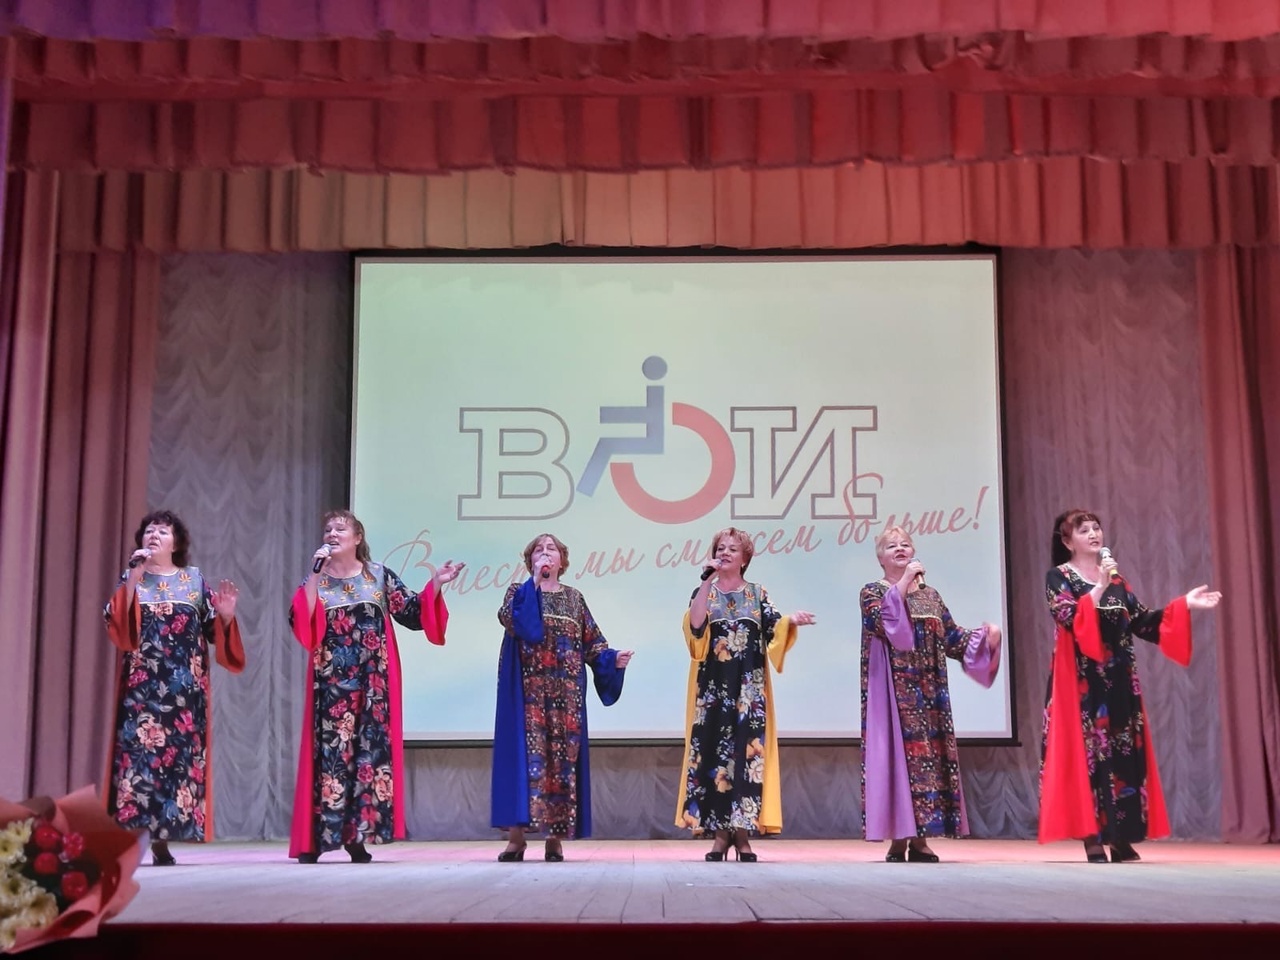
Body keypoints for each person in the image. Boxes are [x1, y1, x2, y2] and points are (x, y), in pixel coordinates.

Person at [1039, 508, 1221, 863]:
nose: (1094, 534)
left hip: (1119, 681)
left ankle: (1120, 836)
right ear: (1067, 541)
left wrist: (1184, 604)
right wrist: (1099, 585)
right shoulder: (1058, 577)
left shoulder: (1118, 582)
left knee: (1123, 756)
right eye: (1084, 530)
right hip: (1082, 684)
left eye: (1096, 528)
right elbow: (1068, 617)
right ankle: (1092, 837)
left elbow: (1143, 622)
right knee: (1089, 757)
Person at [288, 509, 464, 863]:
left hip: (373, 685)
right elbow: (301, 623)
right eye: (328, 529)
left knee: (368, 756)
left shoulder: (378, 576)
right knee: (330, 757)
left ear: (357, 538)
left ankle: (357, 837)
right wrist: (314, 577)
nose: (332, 534)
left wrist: (437, 584)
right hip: (331, 685)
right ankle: (318, 839)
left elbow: (412, 612)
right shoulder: (316, 580)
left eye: (341, 528)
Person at [104, 510, 245, 866]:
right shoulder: (132, 577)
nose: (154, 535)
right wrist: (133, 580)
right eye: (149, 531)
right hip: (141, 688)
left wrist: (226, 616)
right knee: (137, 762)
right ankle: (133, 837)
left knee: (175, 764)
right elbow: (116, 624)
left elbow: (214, 632)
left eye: (163, 532)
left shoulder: (193, 580)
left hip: (184, 691)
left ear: (176, 543)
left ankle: (163, 840)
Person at [858, 525, 1002, 863]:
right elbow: (883, 623)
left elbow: (952, 638)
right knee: (896, 759)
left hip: (929, 691)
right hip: (893, 692)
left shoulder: (931, 596)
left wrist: (985, 638)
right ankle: (898, 839)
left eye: (905, 544)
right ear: (880, 558)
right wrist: (905, 582)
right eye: (891, 546)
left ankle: (920, 840)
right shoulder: (872, 592)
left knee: (927, 761)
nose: (900, 549)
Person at [675, 527, 816, 862]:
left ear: (744, 558)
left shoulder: (756, 593)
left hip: (749, 692)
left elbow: (774, 630)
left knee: (747, 758)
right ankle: (719, 835)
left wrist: (791, 621)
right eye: (720, 548)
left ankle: (741, 835)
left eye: (732, 549)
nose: (724, 553)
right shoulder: (704, 591)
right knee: (714, 759)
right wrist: (706, 581)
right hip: (712, 692)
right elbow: (695, 626)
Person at [491, 533, 633, 862]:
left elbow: (592, 642)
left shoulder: (574, 599)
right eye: (538, 550)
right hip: (527, 693)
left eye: (551, 549)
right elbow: (514, 621)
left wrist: (612, 659)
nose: (545, 554)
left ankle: (554, 839)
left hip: (565, 695)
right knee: (525, 762)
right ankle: (516, 840)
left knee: (561, 763)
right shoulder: (518, 592)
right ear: (530, 561)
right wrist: (534, 585)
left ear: (562, 560)